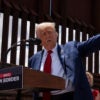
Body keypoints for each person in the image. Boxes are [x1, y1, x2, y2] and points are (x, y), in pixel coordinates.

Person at [28, 22, 100, 100]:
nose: (47, 36)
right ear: (39, 40)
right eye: (43, 34)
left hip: (67, 96)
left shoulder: (71, 49)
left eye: (49, 32)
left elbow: (91, 44)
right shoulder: (34, 59)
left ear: (56, 34)